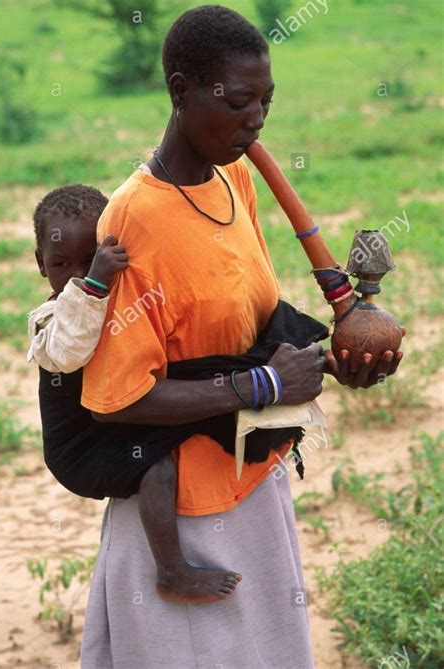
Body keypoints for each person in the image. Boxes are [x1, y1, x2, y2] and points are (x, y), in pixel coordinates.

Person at [79, 6, 404, 668]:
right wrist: (261, 385)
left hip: (254, 479)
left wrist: (333, 362)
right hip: (183, 513)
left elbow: (241, 325)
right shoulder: (134, 218)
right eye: (237, 100)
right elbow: (117, 397)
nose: (256, 119)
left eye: (266, 101)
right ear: (180, 91)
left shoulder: (236, 177)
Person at [29, 184, 324, 607]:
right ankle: (172, 570)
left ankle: (300, 365)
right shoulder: (52, 319)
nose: (75, 274)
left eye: (90, 259)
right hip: (81, 447)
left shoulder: (120, 302)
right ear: (41, 264)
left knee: (204, 388)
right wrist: (96, 278)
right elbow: (73, 346)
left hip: (115, 424)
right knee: (157, 468)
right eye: (62, 264)